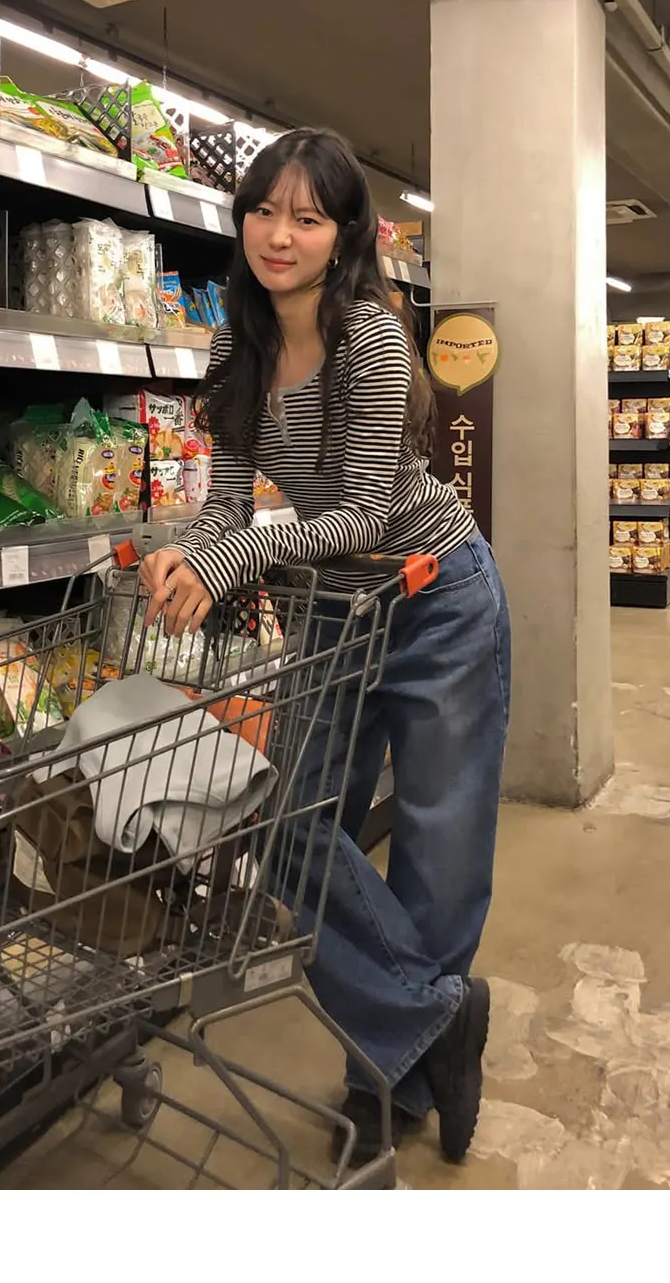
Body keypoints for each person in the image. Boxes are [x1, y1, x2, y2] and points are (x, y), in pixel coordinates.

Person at [140, 128, 511, 1167]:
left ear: (345, 236)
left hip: (435, 600)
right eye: (263, 211)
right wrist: (189, 553)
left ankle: (383, 1086)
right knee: (291, 825)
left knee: (438, 850)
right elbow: (227, 507)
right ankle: (437, 1018)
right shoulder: (237, 346)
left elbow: (360, 513)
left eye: (306, 217)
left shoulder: (370, 339)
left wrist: (236, 559)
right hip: (333, 616)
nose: (279, 234)